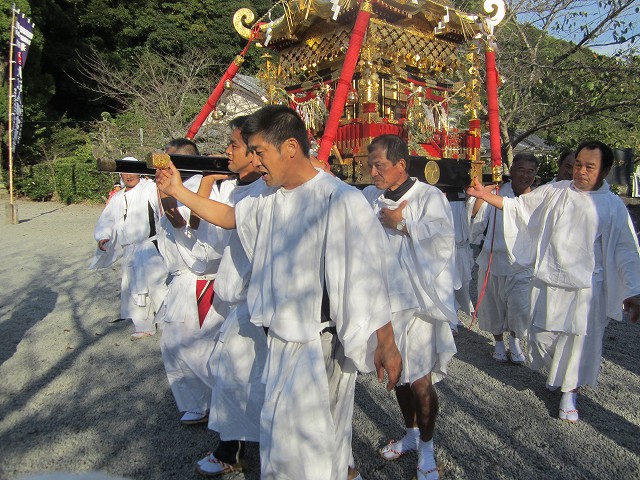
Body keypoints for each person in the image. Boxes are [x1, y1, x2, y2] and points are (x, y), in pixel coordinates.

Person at [155, 105, 404, 480]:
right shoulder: (267, 198)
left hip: (318, 345)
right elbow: (229, 217)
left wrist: (386, 343)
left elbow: (371, 278)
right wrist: (176, 190)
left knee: (310, 449)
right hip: (279, 343)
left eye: (259, 152)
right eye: (251, 152)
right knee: (294, 446)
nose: (255, 161)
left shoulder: (339, 200)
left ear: (290, 147)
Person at [466, 140, 640, 422]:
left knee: (577, 341)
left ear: (605, 170)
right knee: (542, 338)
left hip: (586, 289)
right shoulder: (557, 191)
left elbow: (626, 250)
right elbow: (520, 208)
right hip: (549, 279)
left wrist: (633, 290)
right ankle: (557, 374)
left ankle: (569, 392)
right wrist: (484, 196)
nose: (581, 171)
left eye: (589, 167)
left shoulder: (612, 206)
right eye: (578, 165)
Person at [362, 135, 457, 480]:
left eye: (379, 165)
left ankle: (428, 448)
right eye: (369, 164)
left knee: (420, 382)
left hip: (419, 305)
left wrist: (402, 224)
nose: (372, 171)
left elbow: (444, 241)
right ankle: (411, 434)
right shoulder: (368, 198)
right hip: (386, 307)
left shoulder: (429, 197)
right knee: (398, 376)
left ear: (401, 165)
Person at [194, 116, 268, 477]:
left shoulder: (265, 194)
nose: (228, 151)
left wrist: (181, 191)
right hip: (238, 303)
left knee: (243, 379)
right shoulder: (236, 188)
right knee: (234, 377)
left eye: (235, 145)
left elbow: (228, 220)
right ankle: (237, 446)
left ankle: (235, 449)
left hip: (257, 307)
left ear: (256, 154)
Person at [155, 138, 231, 425]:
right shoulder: (172, 183)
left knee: (203, 346)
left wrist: (206, 183)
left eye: (169, 159)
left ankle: (216, 403)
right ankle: (198, 403)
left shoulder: (214, 186)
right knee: (175, 344)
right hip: (183, 280)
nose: (164, 165)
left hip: (205, 277)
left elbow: (193, 229)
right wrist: (165, 189)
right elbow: (173, 219)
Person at [470, 152, 539, 364]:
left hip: (523, 265)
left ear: (535, 174)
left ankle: (516, 341)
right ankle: (498, 342)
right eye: (521, 170)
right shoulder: (498, 193)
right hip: (494, 259)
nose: (525, 175)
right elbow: (477, 220)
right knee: (493, 306)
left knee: (520, 308)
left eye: (530, 171)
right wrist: (480, 198)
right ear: (512, 171)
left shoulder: (538, 199)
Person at [90, 167, 168, 339]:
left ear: (138, 173)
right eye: (125, 173)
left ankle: (166, 322)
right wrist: (103, 236)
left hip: (150, 246)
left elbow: (162, 205)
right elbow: (107, 219)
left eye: (132, 172)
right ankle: (143, 325)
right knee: (132, 287)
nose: (129, 175)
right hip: (130, 250)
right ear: (120, 175)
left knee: (157, 285)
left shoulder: (149, 188)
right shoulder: (118, 197)